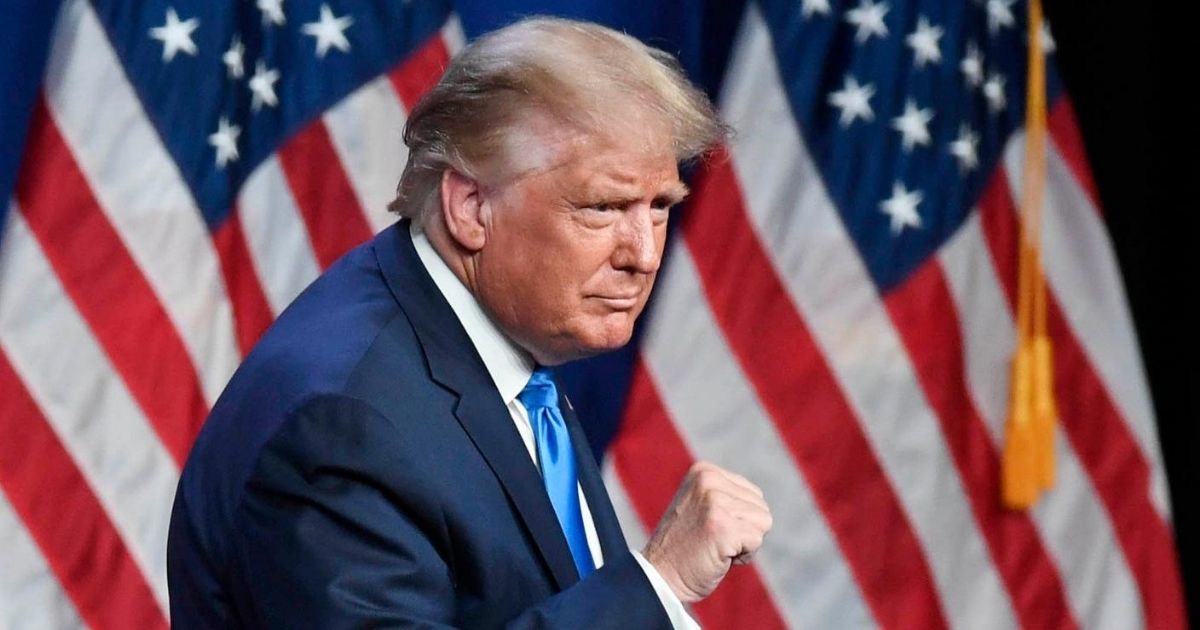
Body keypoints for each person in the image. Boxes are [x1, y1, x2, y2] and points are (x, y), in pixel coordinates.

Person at [167, 16, 773, 628]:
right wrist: (657, 586)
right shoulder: (344, 424)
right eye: (604, 207)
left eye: (661, 206)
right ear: (470, 207)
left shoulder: (495, 336)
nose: (642, 255)